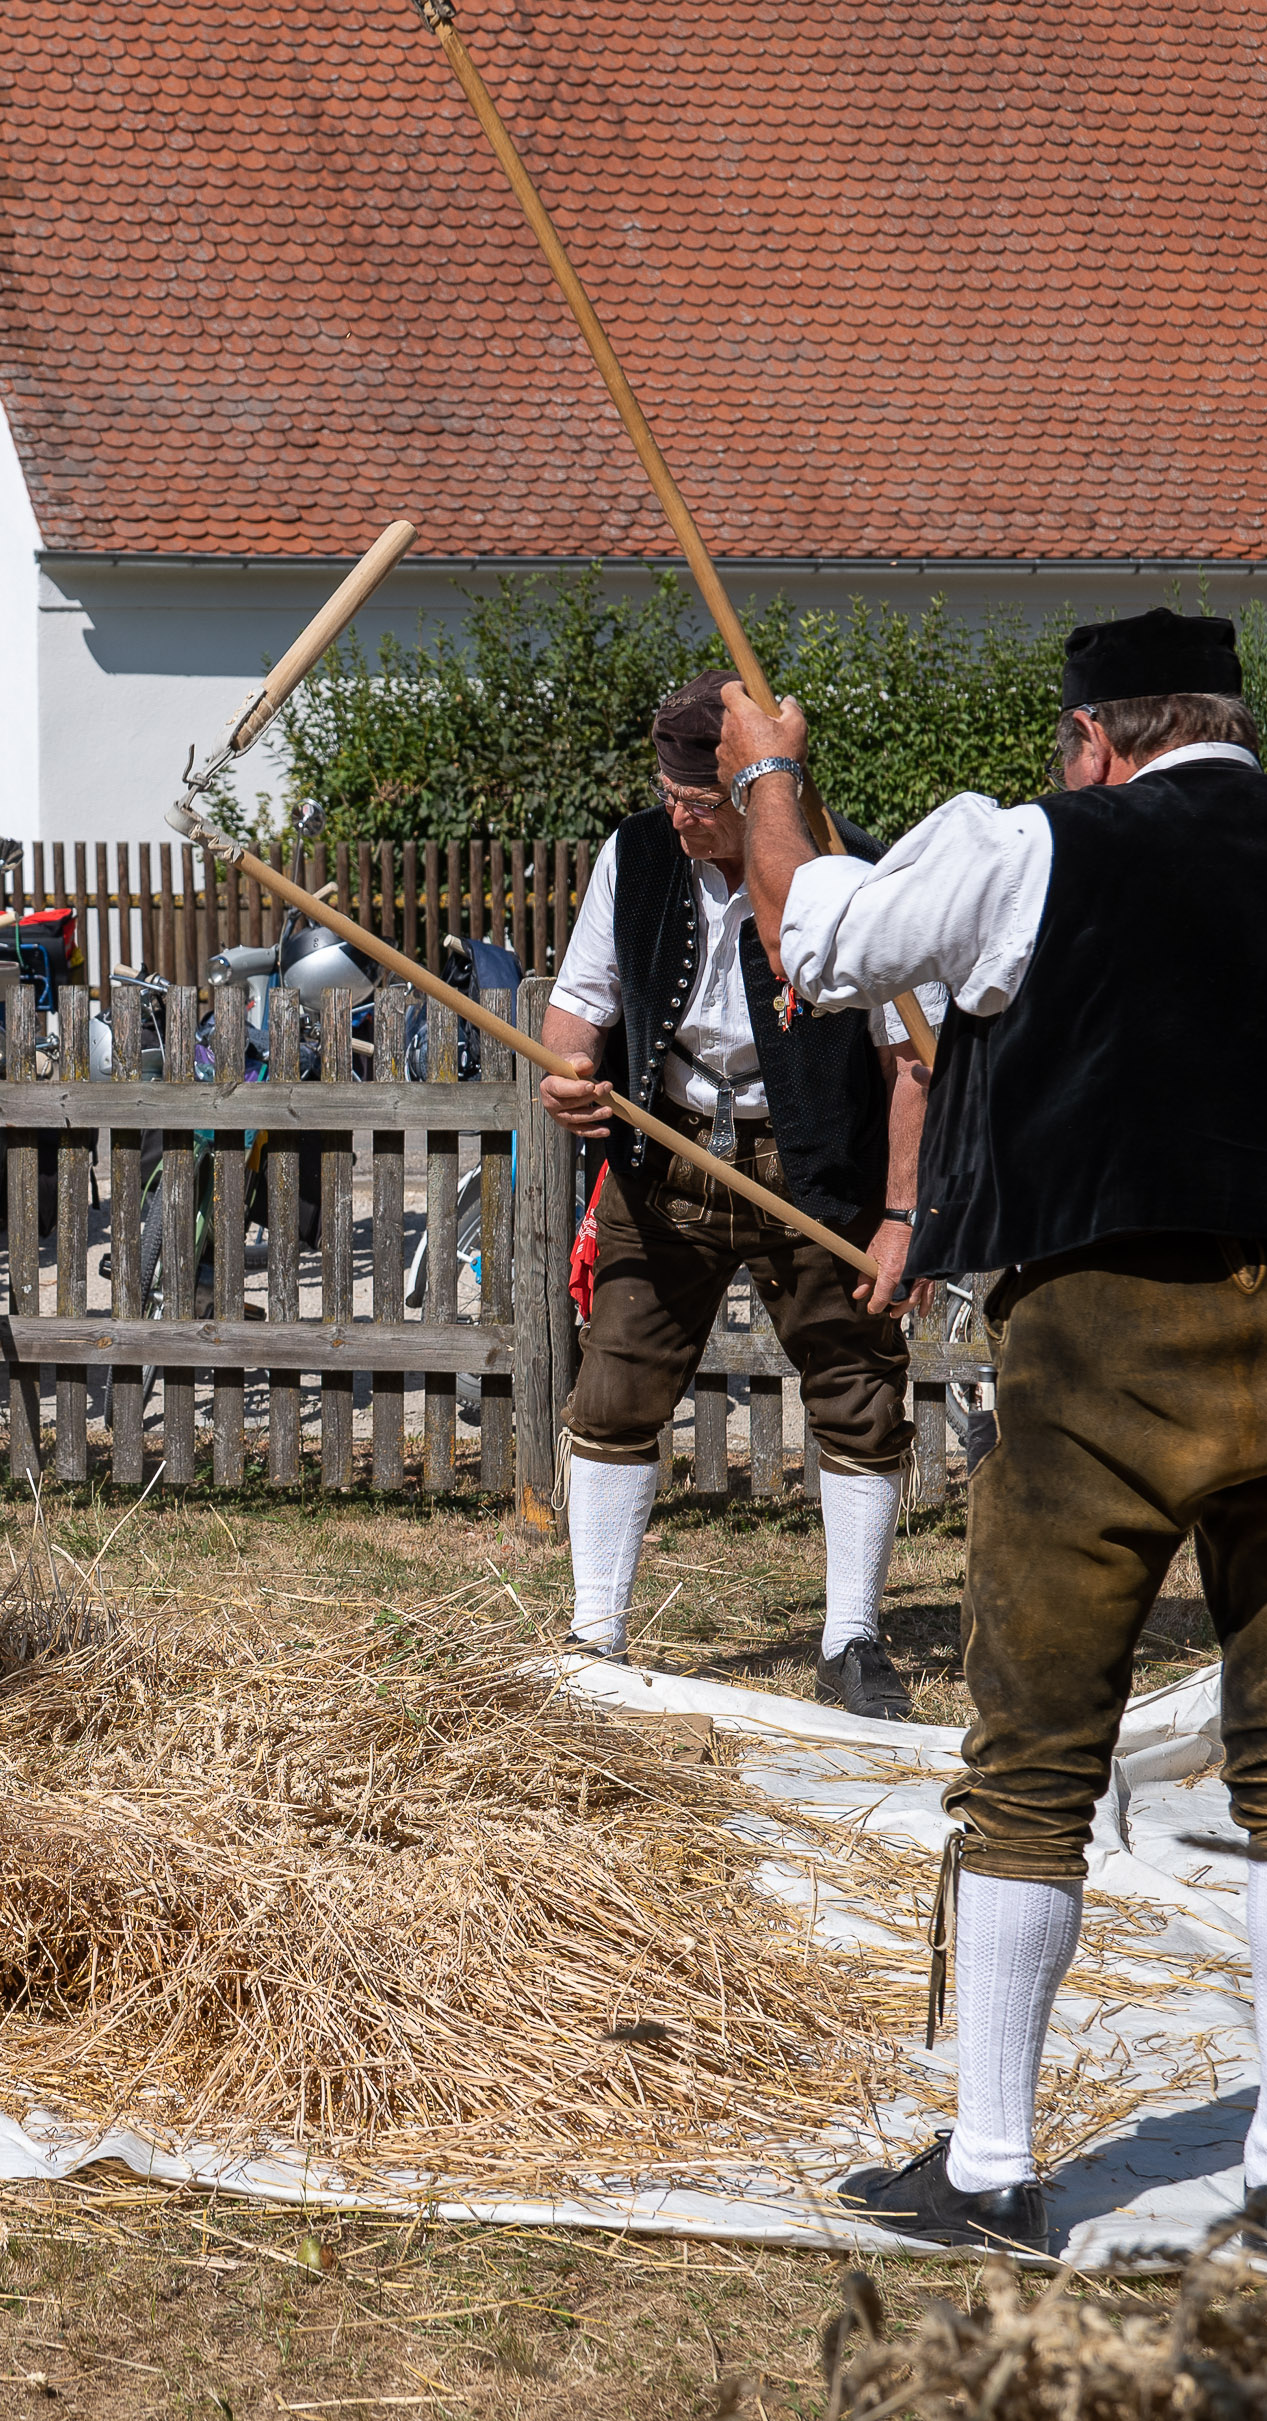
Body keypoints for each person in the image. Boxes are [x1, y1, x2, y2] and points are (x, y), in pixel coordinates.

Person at [721, 611, 1267, 2269]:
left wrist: (770, 773)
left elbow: (811, 938)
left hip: (1106, 1338)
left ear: (1100, 737)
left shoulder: (1034, 847)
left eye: (1066, 747)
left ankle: (996, 2169)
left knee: (1031, 1765)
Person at [540, 671, 945, 1718]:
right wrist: (568, 1075)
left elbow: (914, 1061)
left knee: (857, 1390)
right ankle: (594, 1640)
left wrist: (902, 1214)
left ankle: (851, 1640)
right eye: (670, 791)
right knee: (616, 1388)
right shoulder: (633, 854)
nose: (680, 814)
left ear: (761, 785)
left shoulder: (855, 871)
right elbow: (580, 1003)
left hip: (816, 1162)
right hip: (664, 1149)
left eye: (702, 799)